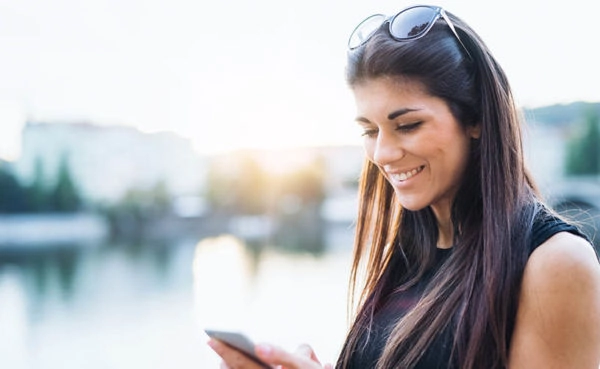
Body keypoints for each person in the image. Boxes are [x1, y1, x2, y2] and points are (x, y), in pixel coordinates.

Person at [207, 4, 600, 368]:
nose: (382, 153)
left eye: (408, 126)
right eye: (369, 130)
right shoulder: (410, 258)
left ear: (476, 119)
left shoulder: (555, 264)